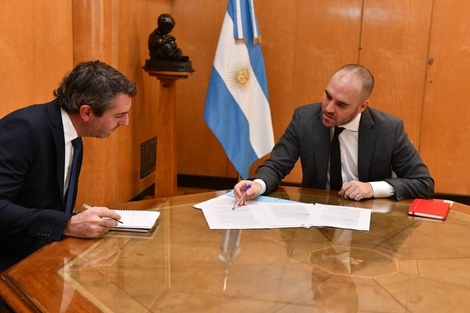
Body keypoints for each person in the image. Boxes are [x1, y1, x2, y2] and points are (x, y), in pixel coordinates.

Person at [0, 60, 137, 273]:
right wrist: (66, 223)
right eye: (119, 115)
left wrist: (75, 220)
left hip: (48, 255)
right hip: (12, 263)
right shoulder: (23, 129)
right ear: (86, 112)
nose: (125, 122)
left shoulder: (74, 135)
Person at [234, 64, 434, 204]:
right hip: (315, 216)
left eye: (341, 104)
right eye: (328, 96)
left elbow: (423, 182)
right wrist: (257, 185)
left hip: (368, 223)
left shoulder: (388, 129)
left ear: (362, 106)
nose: (328, 108)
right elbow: (277, 165)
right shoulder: (304, 119)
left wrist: (373, 188)